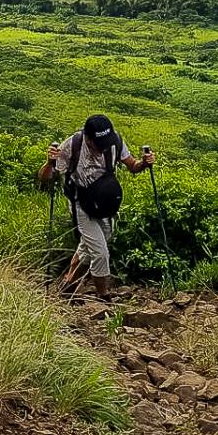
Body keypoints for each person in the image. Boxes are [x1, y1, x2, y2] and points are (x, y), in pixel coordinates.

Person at [39, 113, 155, 300]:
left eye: (105, 144)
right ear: (88, 138)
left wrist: (144, 163)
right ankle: (103, 296)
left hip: (105, 204)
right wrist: (49, 162)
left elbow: (132, 165)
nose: (103, 149)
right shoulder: (72, 145)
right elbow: (46, 177)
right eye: (98, 145)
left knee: (90, 247)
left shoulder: (114, 141)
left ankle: (67, 285)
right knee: (100, 253)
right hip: (81, 205)